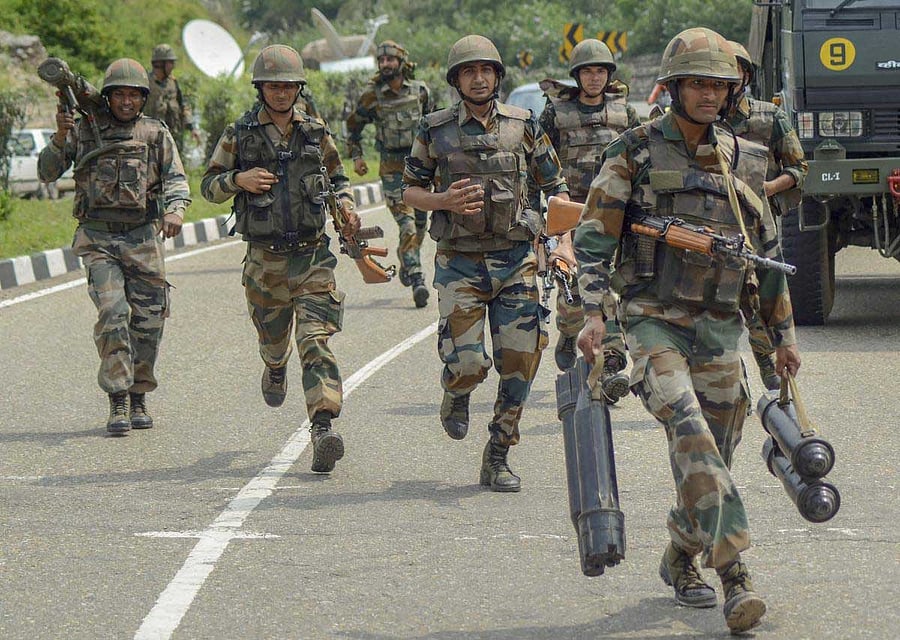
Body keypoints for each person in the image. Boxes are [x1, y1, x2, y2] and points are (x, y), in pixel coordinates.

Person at [573, 28, 801, 633]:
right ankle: (736, 575)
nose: (708, 94)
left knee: (711, 459)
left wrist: (781, 339)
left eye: (718, 85)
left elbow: (766, 258)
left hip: (721, 328)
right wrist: (595, 316)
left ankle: (681, 553)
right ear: (672, 87)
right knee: (689, 426)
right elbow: (592, 239)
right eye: (696, 83)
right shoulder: (635, 151)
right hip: (654, 323)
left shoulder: (746, 159)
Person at [402, 35, 569, 492]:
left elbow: (557, 189)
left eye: (487, 71)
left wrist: (563, 243)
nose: (479, 78)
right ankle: (456, 389)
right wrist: (443, 200)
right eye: (469, 72)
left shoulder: (524, 125)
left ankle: (497, 453)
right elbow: (409, 191)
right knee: (472, 364)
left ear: (497, 76)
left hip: (516, 261)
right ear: (456, 80)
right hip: (460, 265)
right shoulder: (434, 129)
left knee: (521, 359)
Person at [200, 44, 360, 474]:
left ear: (298, 88)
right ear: (261, 89)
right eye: (273, 86)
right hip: (265, 262)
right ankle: (274, 367)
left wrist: (345, 205)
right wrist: (238, 179)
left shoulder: (314, 131)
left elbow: (338, 178)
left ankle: (322, 428)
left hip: (312, 258)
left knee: (314, 341)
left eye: (288, 86)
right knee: (275, 343)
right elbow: (208, 185)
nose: (281, 93)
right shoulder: (240, 133)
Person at [38, 58, 191, 435]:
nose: (126, 102)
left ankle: (139, 394)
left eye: (133, 95)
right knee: (113, 312)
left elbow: (176, 180)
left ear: (143, 98)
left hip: (143, 238)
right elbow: (46, 172)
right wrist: (60, 137)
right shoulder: (86, 130)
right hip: (99, 239)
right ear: (107, 97)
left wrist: (175, 211)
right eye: (118, 94)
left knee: (149, 321)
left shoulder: (155, 133)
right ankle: (118, 398)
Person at [529, 38, 640, 404]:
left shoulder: (626, 114)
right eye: (588, 71)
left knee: (613, 291)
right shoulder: (555, 115)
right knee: (574, 297)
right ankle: (568, 331)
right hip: (571, 220)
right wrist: (540, 220)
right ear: (577, 76)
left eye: (601, 71)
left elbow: (643, 161)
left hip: (614, 217)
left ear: (610, 75)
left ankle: (610, 366)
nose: (595, 78)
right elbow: (538, 166)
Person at [726, 40, 809, 390]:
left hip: (758, 229)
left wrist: (767, 189)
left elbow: (799, 168)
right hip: (707, 227)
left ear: (746, 75)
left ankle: (769, 372)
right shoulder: (695, 119)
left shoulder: (768, 117)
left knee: (760, 306)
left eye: (735, 72)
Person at [346, 40, 435, 308]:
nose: (385, 64)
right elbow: (353, 127)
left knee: (420, 226)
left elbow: (434, 127)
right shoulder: (372, 96)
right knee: (406, 224)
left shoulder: (421, 92)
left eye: (390, 60)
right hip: (391, 170)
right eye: (381, 60)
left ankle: (405, 256)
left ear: (401, 63)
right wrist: (357, 156)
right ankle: (418, 279)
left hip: (420, 169)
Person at [144, 44, 201, 153]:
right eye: (170, 63)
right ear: (160, 64)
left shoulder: (173, 83)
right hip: (150, 143)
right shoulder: (145, 84)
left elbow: (183, 106)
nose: (173, 66)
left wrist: (192, 128)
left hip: (172, 141)